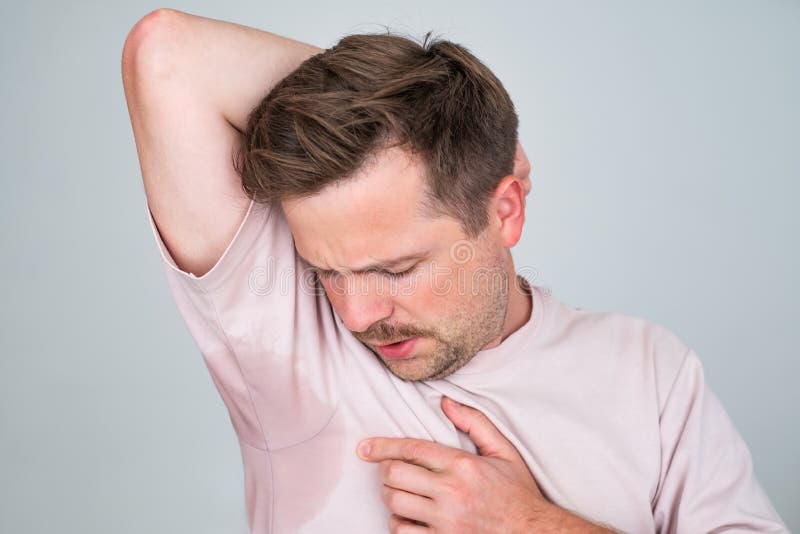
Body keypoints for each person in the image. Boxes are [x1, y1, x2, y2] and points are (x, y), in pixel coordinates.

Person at [121, 8, 789, 534]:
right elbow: (166, 54)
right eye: (325, 270)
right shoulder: (290, 343)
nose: (355, 316)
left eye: (397, 268)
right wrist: (403, 117)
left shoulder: (651, 371)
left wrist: (531, 525)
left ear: (504, 210)